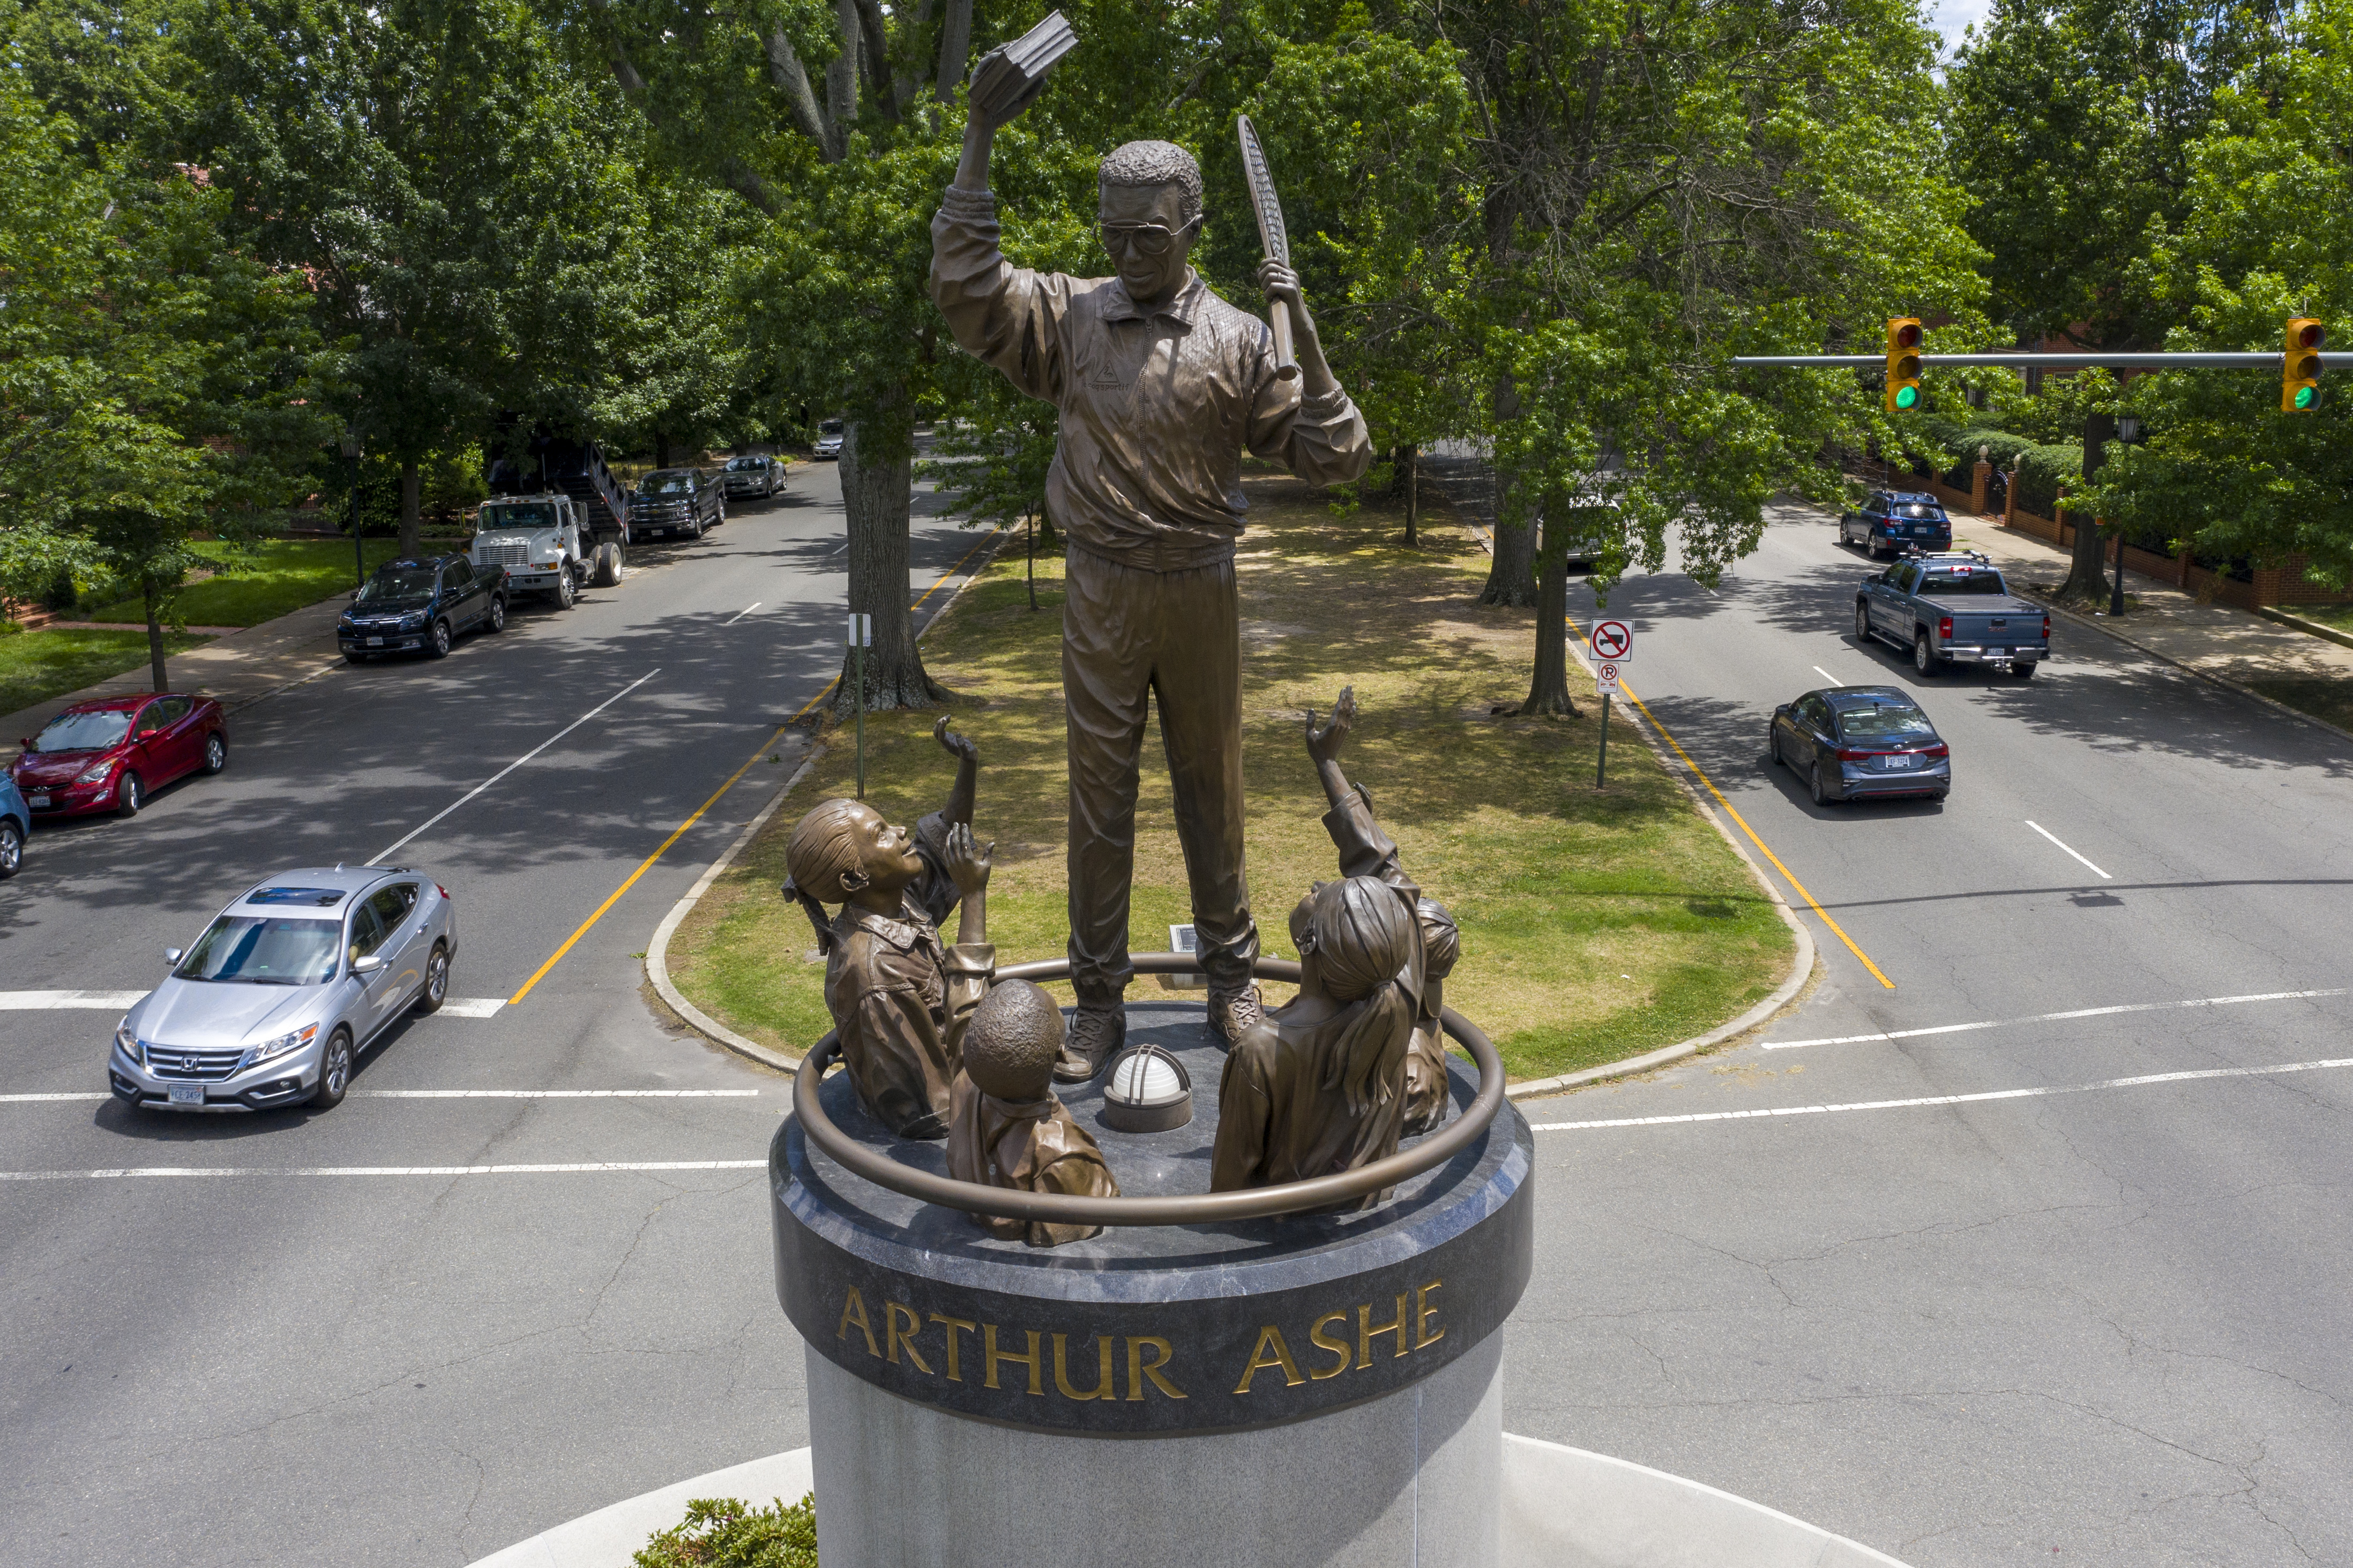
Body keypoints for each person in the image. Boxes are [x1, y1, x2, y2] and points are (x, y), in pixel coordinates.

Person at [932, 70, 1374, 1081]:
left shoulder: (1240, 340)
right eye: (1114, 234)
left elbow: (1335, 457)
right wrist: (977, 139)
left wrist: (1303, 341)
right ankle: (1096, 1003)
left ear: (1194, 227)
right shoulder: (1069, 318)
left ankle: (1229, 983)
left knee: (1212, 793)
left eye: (1151, 238)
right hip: (1100, 589)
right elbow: (966, 289)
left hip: (1200, 589)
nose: (1129, 254)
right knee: (1099, 801)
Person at [780, 724, 994, 1139]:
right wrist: (973, 897)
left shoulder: (894, 901)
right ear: (855, 878)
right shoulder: (873, 975)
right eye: (880, 834)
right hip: (948, 1128)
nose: (900, 831)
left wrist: (968, 766)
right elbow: (935, 1110)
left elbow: (943, 841)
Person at [947, 980, 1121, 1248]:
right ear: (1061, 1055)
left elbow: (964, 1010)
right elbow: (1099, 1206)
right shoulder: (1059, 1153)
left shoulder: (965, 1084)